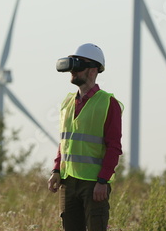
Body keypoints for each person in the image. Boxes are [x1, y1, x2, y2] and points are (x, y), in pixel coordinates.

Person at [48, 43, 123, 231]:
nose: (72, 71)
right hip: (68, 181)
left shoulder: (108, 103)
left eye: (78, 66)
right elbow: (65, 141)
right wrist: (56, 170)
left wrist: (102, 181)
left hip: (93, 184)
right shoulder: (67, 102)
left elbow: (114, 147)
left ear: (92, 70)